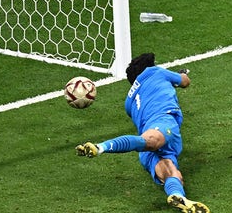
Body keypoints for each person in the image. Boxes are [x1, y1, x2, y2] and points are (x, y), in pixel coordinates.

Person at [75, 53, 210, 212]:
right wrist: (181, 75)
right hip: (163, 122)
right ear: (149, 67)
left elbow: (148, 94)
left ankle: (179, 196)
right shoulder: (156, 72)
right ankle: (100, 147)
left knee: (170, 171)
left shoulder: (128, 103)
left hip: (149, 145)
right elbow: (185, 82)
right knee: (151, 141)